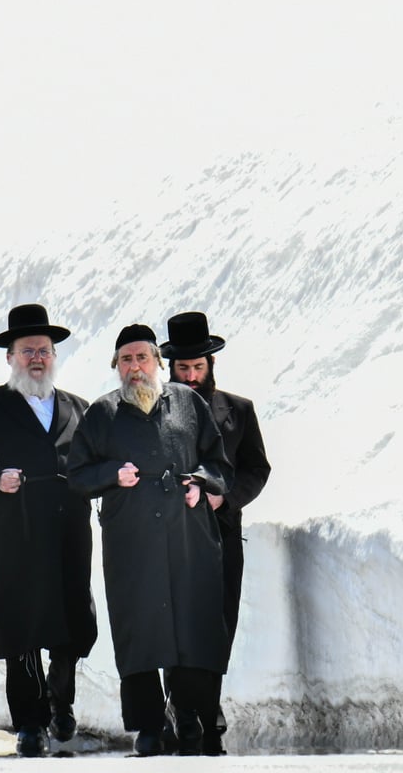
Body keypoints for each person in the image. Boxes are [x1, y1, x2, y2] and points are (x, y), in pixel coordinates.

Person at [67, 323, 234, 757]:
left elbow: (218, 461)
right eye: (126, 359)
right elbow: (77, 473)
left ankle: (188, 715)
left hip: (187, 536)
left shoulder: (188, 404)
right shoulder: (102, 414)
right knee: (139, 630)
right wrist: (110, 475)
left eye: (142, 357)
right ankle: (146, 726)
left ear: (158, 362)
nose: (135, 367)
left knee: (190, 623)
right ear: (116, 366)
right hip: (132, 542)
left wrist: (201, 483)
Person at [0, 304, 98, 757]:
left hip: (69, 528)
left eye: (44, 350)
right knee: (22, 624)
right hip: (14, 529)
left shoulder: (78, 408)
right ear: (9, 357)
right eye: (27, 350)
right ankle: (29, 722)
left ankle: (60, 698)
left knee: (70, 619)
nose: (37, 358)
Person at [161, 311, 272, 755]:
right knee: (177, 624)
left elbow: (256, 468)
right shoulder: (157, 408)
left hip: (222, 532)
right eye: (182, 369)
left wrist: (225, 498)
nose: (190, 376)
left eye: (197, 367)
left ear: (211, 365)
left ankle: (208, 704)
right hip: (170, 535)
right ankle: (185, 709)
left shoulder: (239, 410)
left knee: (219, 620)